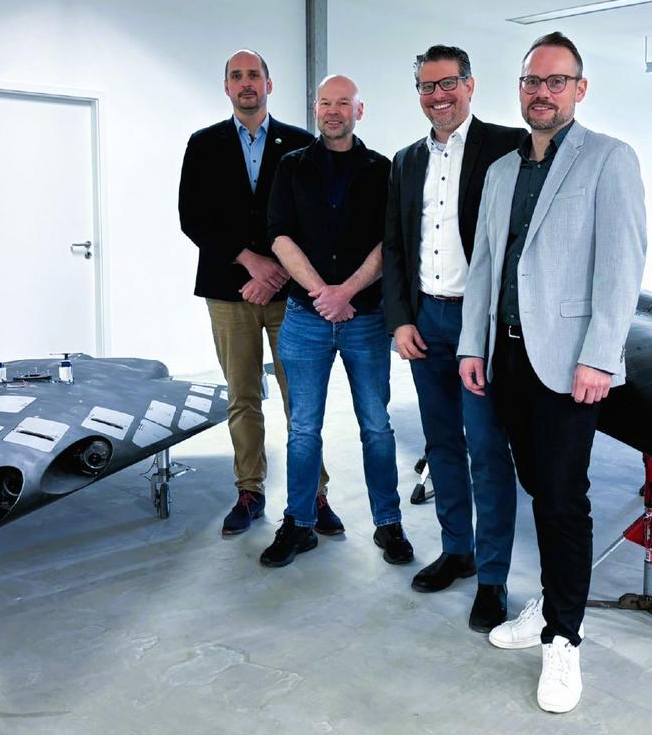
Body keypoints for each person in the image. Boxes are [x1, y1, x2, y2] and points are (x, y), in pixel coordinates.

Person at [458, 32, 647, 712]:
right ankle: (549, 601)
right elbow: (485, 264)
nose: (542, 93)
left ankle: (564, 637)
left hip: (569, 362)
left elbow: (622, 265)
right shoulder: (502, 172)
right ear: (520, 88)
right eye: (532, 81)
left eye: (556, 81)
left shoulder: (609, 159)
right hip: (507, 357)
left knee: (563, 498)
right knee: (539, 487)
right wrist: (472, 345)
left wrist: (600, 355)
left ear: (579, 89)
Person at [381, 45, 525, 631]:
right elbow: (395, 244)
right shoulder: (405, 160)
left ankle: (492, 577)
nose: (437, 96)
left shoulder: (508, 147)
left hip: (480, 322)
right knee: (441, 444)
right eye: (426, 87)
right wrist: (400, 319)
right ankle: (457, 551)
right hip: (426, 322)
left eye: (447, 84)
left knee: (487, 451)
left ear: (470, 85)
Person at [178, 49, 341, 537]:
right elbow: (193, 217)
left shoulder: (301, 143)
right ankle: (249, 490)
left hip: (291, 295)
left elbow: (314, 220)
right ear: (226, 86)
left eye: (254, 75)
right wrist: (250, 262)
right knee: (242, 395)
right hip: (228, 290)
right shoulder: (203, 144)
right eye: (237, 76)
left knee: (300, 398)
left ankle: (314, 493)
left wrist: (278, 273)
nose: (246, 82)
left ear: (269, 84)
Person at [261, 74, 411, 568]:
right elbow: (280, 237)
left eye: (343, 103)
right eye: (325, 102)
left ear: (358, 111)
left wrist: (345, 292)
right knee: (303, 429)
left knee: (377, 426)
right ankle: (299, 524)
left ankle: (388, 523)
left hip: (364, 318)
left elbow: (389, 242)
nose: (333, 110)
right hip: (306, 319)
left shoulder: (382, 169)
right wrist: (323, 295)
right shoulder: (291, 166)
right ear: (315, 108)